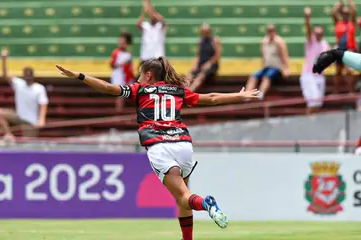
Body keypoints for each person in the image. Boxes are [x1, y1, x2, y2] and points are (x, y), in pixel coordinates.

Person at [56, 57, 259, 240]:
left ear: (149, 75)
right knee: (182, 197)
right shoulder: (177, 91)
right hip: (183, 144)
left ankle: (206, 203)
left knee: (183, 196)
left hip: (160, 145)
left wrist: (79, 76)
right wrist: (239, 96)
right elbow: (211, 98)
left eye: (140, 74)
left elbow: (108, 88)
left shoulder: (139, 89)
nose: (138, 78)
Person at [0, 50, 48, 141]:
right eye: (26, 74)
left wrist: (41, 120)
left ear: (33, 76)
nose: (28, 76)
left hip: (31, 121)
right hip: (19, 116)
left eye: (29, 74)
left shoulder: (39, 88)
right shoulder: (19, 84)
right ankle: (8, 135)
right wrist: (4, 60)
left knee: (27, 144)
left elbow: (43, 104)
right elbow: (5, 75)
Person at [245, 24, 290, 100]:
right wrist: (262, 65)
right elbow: (263, 56)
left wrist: (286, 68)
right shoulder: (264, 41)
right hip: (267, 66)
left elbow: (284, 55)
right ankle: (247, 95)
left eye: (272, 31)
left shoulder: (279, 42)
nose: (270, 33)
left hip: (276, 67)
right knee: (253, 76)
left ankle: (261, 94)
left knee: (267, 77)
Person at [300, 7, 331, 115]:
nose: (317, 35)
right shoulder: (310, 41)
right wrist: (307, 18)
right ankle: (306, 124)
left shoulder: (325, 44)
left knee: (318, 104)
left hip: (320, 76)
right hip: (309, 75)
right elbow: (308, 28)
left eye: (319, 33)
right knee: (313, 103)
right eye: (316, 33)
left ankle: (312, 124)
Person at [186, 23, 222, 92]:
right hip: (201, 64)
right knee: (189, 76)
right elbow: (198, 55)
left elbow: (217, 55)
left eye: (207, 31)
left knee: (200, 77)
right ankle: (184, 91)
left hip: (211, 66)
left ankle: (189, 93)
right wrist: (195, 65)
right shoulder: (200, 41)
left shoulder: (215, 40)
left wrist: (209, 63)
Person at [332, 0, 357, 93]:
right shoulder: (338, 22)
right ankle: (336, 91)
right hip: (339, 49)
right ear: (341, 14)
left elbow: (354, 11)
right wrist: (340, 3)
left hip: (349, 49)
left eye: (347, 13)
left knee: (349, 71)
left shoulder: (352, 23)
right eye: (344, 13)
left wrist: (350, 1)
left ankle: (351, 91)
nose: (345, 14)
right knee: (338, 71)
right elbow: (334, 12)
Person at [110, 32, 134, 113]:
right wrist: (121, 64)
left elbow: (130, 66)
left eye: (123, 42)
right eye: (120, 42)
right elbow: (112, 64)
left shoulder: (128, 53)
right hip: (118, 75)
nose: (121, 44)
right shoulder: (116, 52)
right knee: (120, 95)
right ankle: (119, 112)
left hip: (126, 75)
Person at [137, 0, 166, 66]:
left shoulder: (160, 26)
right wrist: (144, 12)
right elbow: (138, 25)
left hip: (157, 57)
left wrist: (153, 11)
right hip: (146, 57)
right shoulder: (145, 25)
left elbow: (163, 22)